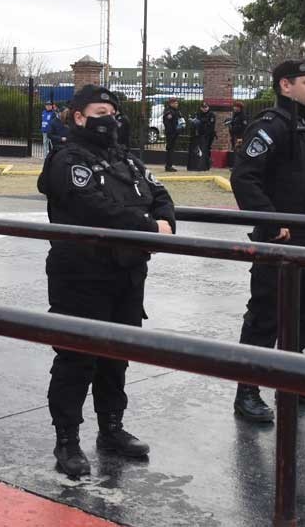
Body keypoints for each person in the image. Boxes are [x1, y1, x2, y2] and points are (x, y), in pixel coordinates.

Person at [38, 83, 175, 478]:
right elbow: (94, 208)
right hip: (81, 274)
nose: (109, 120)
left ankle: (111, 428)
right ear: (79, 117)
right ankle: (67, 441)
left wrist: (162, 219)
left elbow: (159, 192)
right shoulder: (66, 160)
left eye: (112, 113)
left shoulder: (125, 159)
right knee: (77, 357)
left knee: (117, 354)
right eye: (100, 113)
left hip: (126, 273)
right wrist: (149, 226)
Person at [230, 60, 305, 422]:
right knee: (266, 315)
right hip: (281, 239)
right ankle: (248, 389)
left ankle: (291, 381)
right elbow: (245, 178)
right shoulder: (270, 126)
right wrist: (271, 220)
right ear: (285, 85)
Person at [187, 103, 216, 171]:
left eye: (206, 107)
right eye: (203, 107)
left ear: (208, 107)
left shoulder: (211, 114)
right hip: (200, 135)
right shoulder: (199, 114)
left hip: (208, 135)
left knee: (207, 149)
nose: (205, 109)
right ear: (201, 108)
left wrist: (202, 122)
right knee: (201, 150)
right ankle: (202, 164)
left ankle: (207, 165)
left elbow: (211, 125)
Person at [161, 97, 183, 172]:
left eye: (177, 103)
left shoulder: (176, 111)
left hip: (175, 132)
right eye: (175, 103)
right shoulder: (169, 112)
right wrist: (172, 132)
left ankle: (170, 165)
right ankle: (168, 166)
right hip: (171, 133)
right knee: (170, 149)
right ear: (171, 103)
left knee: (171, 149)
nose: (177, 104)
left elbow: (179, 120)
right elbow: (167, 123)